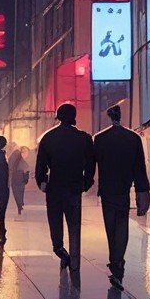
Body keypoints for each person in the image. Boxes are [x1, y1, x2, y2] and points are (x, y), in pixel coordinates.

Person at [35, 103, 96, 272]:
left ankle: (60, 251)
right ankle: (75, 260)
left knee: (55, 223)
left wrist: (42, 182)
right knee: (74, 225)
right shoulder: (84, 138)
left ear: (58, 117)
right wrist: (86, 182)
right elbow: (91, 164)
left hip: (54, 189)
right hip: (74, 188)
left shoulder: (49, 137)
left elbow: (40, 167)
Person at [93, 106, 148, 287]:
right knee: (122, 226)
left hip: (107, 190)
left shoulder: (100, 139)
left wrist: (86, 184)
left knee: (110, 227)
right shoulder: (133, 138)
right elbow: (140, 168)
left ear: (109, 118)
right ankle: (119, 260)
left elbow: (92, 165)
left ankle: (115, 261)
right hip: (124, 190)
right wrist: (142, 191)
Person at [10, 146, 29, 214]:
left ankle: (19, 205)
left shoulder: (17, 158)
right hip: (19, 177)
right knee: (19, 192)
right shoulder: (21, 161)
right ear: (23, 153)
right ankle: (19, 206)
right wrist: (26, 179)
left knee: (18, 192)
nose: (27, 155)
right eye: (26, 153)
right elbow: (25, 171)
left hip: (15, 178)